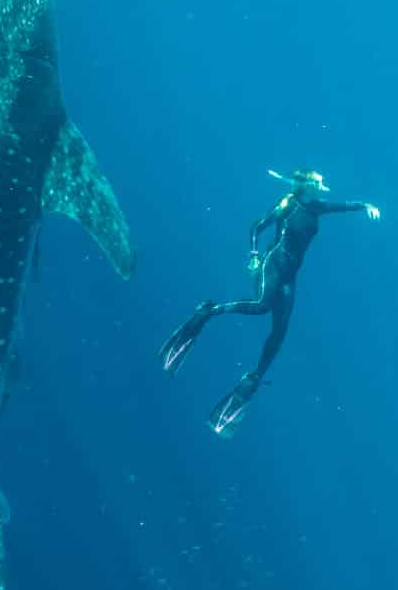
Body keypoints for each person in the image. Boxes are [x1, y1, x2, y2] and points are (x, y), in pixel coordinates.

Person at [159, 169, 380, 436]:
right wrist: (254, 256)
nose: (323, 187)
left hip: (290, 274)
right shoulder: (288, 204)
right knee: (262, 305)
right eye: (318, 183)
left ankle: (254, 377)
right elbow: (257, 225)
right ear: (307, 185)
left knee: (281, 329)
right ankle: (208, 312)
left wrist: (366, 205)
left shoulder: (318, 207)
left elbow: (343, 206)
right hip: (273, 263)